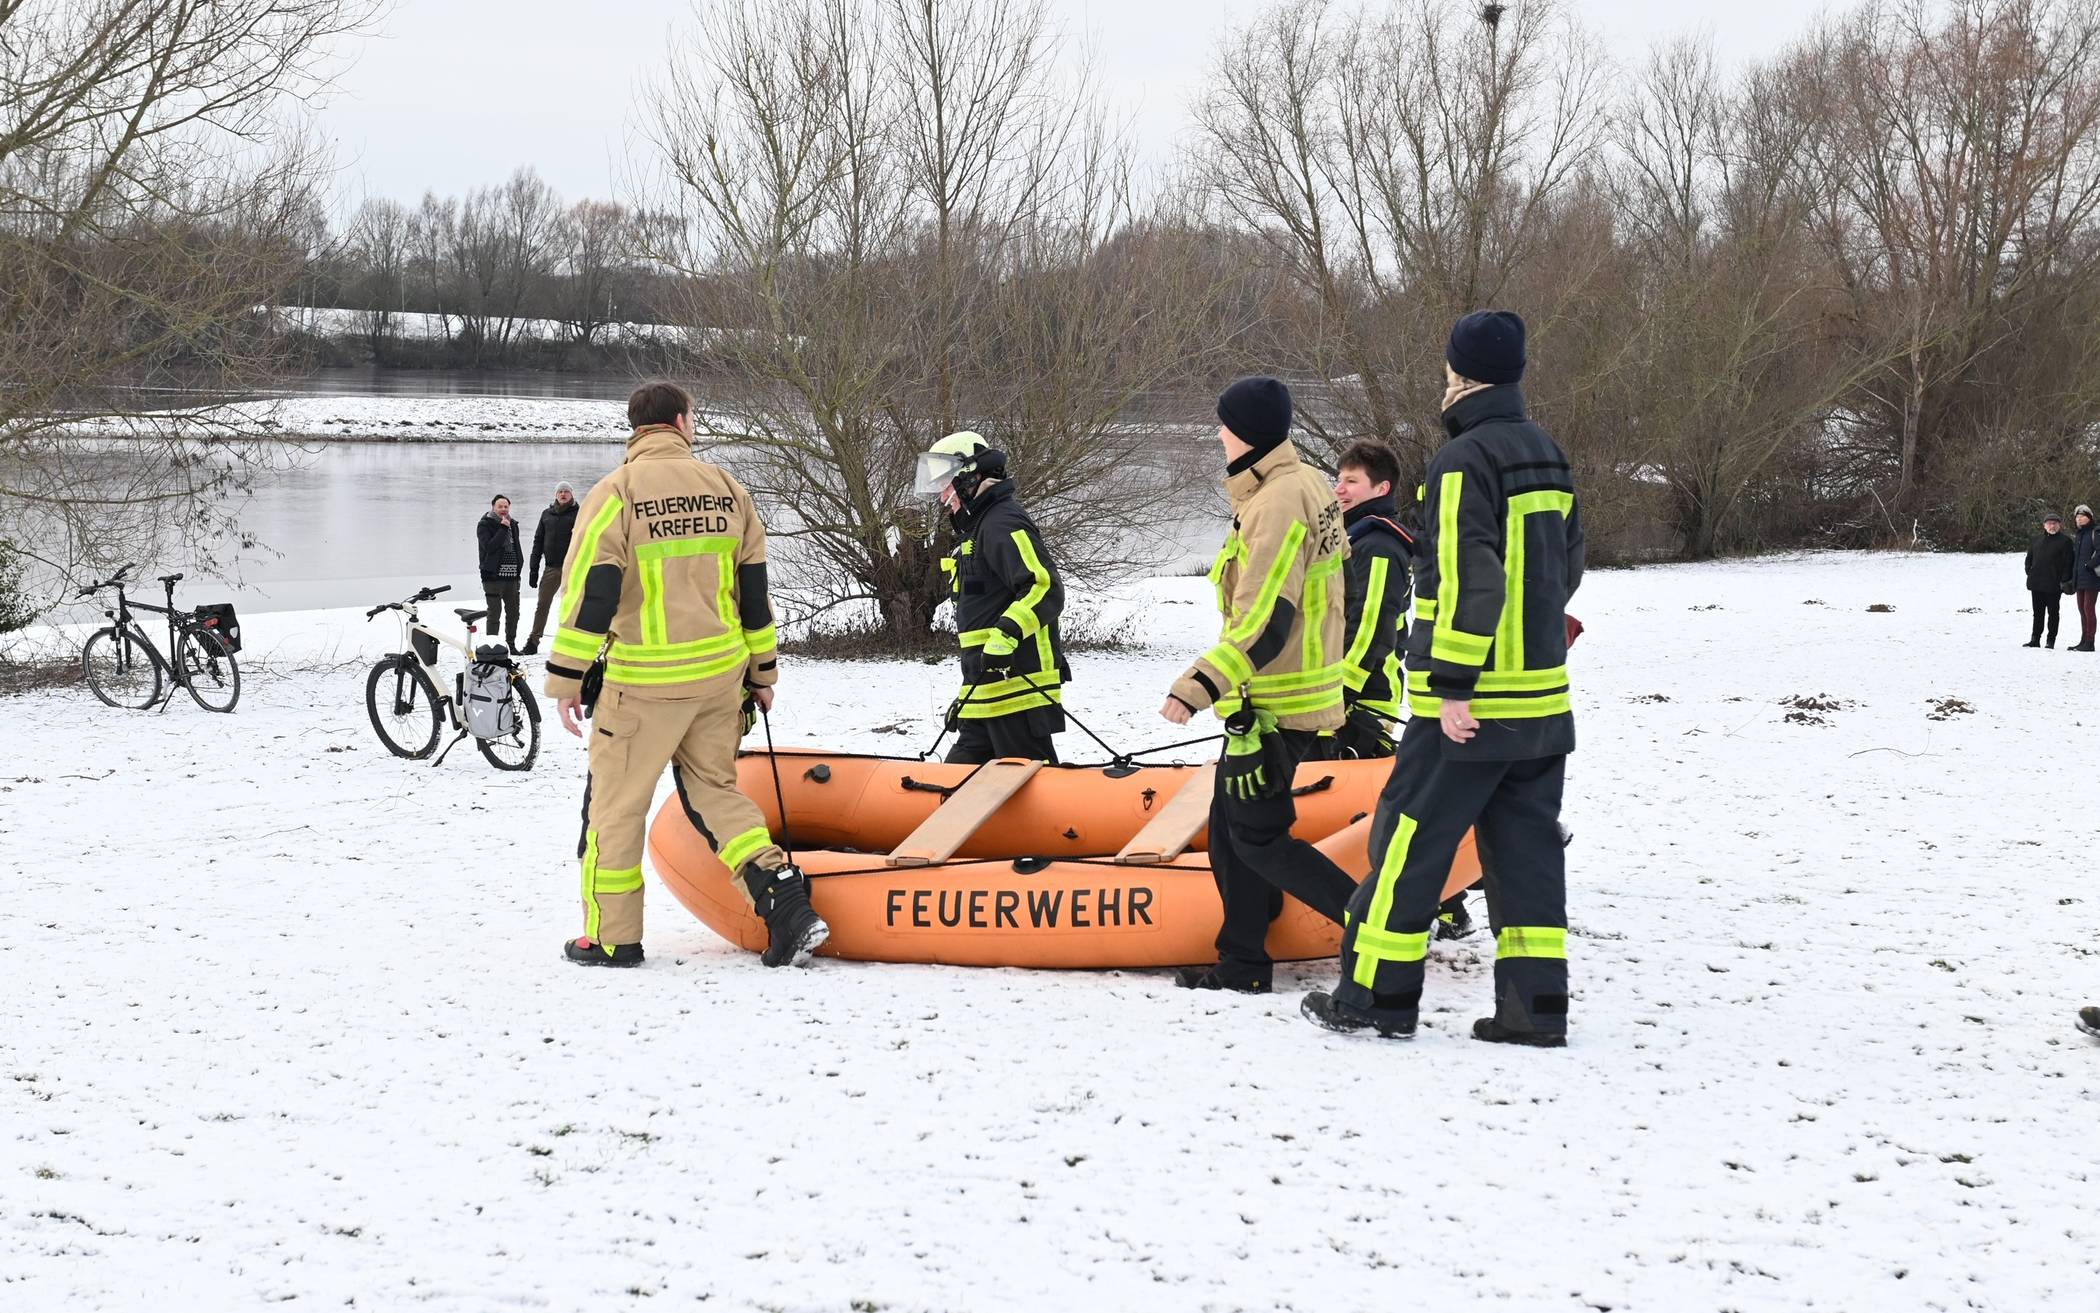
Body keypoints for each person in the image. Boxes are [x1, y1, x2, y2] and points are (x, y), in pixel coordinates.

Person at [1303, 310, 1584, 1046]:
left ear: (1462, 377)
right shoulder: (1548, 453)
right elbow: (1566, 567)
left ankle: (1374, 999)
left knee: (1406, 845)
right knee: (1526, 856)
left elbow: (1467, 580)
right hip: (1542, 704)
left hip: (1468, 709)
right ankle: (1535, 1012)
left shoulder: (1464, 463)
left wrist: (1455, 684)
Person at [544, 380, 827, 970]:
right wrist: (763, 672)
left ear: (637, 426)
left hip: (642, 685)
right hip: (720, 679)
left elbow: (592, 593)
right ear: (680, 421)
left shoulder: (615, 493)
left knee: (615, 811)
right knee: (718, 794)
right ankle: (785, 901)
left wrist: (568, 678)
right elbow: (753, 593)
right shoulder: (728, 489)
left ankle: (612, 939)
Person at [1159, 376, 1358, 994]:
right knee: (1230, 832)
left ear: (1244, 431)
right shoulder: (1299, 484)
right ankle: (1243, 961)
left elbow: (1268, 619)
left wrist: (1196, 687)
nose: (1217, 433)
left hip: (1280, 701)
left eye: (1223, 423)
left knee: (1259, 835)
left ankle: (1376, 924)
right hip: (1271, 696)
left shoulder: (1276, 502)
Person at [917, 431, 1068, 763]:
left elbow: (1045, 588)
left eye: (946, 484)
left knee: (1031, 794)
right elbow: (981, 618)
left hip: (1018, 692)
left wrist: (1007, 635)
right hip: (986, 693)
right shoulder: (978, 529)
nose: (943, 497)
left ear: (971, 478)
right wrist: (967, 696)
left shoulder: (1003, 522)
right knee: (955, 786)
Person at [521, 481, 579, 656]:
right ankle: (533, 641)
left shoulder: (580, 513)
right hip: (551, 567)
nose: (563, 494)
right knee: (543, 604)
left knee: (573, 605)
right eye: (560, 491)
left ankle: (573, 641)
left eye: (566, 492)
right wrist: (533, 569)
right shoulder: (546, 514)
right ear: (556, 495)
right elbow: (538, 541)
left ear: (571, 495)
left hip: (573, 567)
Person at [476, 495, 524, 650]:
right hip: (493, 577)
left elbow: (516, 547)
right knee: (494, 614)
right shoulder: (484, 524)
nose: (503, 509)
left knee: (514, 614)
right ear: (493, 507)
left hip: (512, 577)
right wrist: (503, 528)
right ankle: (492, 646)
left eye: (506, 507)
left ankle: (511, 644)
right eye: (500, 506)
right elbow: (489, 547)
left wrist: (520, 567)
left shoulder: (513, 524)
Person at [2025, 512, 2074, 648]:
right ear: (2044, 525)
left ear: (2059, 525)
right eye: (2049, 523)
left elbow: (2068, 562)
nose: (2052, 526)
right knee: (2037, 613)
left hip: (2054, 584)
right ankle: (2035, 639)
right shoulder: (2036, 540)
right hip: (2036, 583)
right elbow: (2029, 558)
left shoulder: (2065, 541)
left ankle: (2050, 640)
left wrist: (2064, 580)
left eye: (2054, 524)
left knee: (2053, 613)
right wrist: (2029, 571)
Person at [2072, 505, 2099, 652]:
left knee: (2089, 609)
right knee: (2082, 610)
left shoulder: (2096, 531)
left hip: (2092, 578)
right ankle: (2083, 640)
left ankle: (2090, 642)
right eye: (2077, 516)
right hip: (2079, 577)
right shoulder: (2080, 534)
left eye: (2082, 516)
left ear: (2089, 517)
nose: (2079, 518)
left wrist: (2089, 565)